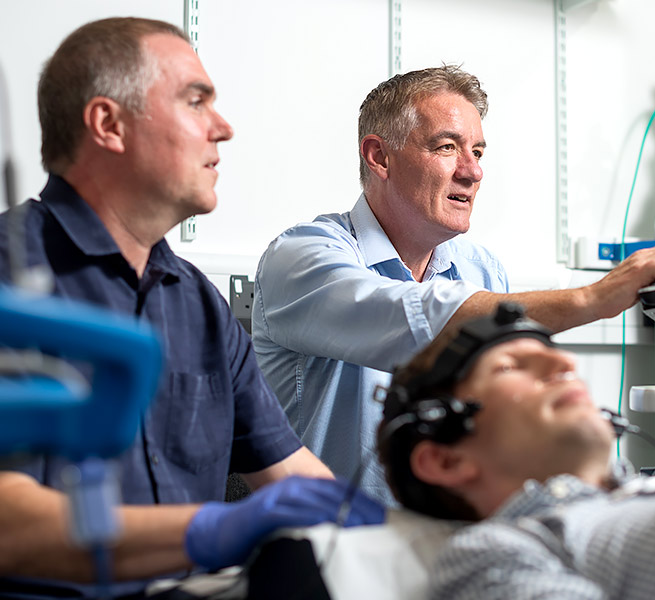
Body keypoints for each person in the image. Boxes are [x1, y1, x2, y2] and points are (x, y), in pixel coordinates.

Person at [0, 17, 383, 599]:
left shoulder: (197, 302)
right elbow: (11, 524)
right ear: (109, 124)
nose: (223, 128)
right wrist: (213, 529)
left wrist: (404, 538)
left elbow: (292, 474)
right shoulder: (13, 280)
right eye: (195, 100)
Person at [252, 65, 655, 502]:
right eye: (447, 147)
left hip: (453, 540)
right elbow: (409, 316)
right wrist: (592, 298)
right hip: (329, 550)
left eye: (479, 152)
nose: (473, 172)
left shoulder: (482, 271)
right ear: (380, 156)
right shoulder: (301, 257)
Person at [377, 303, 655, 600]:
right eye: (508, 366)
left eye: (554, 353)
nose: (565, 364)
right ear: (446, 460)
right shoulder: (504, 553)